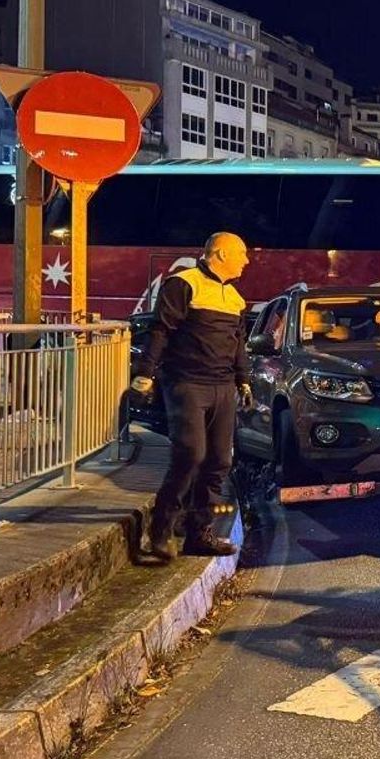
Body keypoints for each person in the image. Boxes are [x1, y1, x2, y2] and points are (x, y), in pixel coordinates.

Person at [130, 232, 253, 560]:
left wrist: (244, 382)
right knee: (190, 456)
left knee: (219, 462)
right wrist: (144, 373)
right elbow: (161, 331)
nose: (247, 260)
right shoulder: (184, 284)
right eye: (242, 253)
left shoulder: (236, 299)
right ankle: (161, 529)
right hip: (187, 384)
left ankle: (200, 533)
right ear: (222, 254)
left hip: (223, 387)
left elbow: (238, 344)